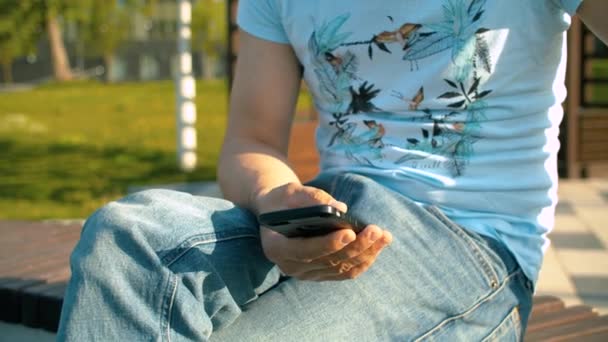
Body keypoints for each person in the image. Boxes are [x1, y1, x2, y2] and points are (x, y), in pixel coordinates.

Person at [57, 1, 607, 340]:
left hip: (472, 246)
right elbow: (250, 140)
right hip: (332, 208)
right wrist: (275, 201)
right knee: (124, 237)